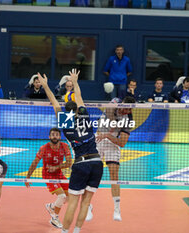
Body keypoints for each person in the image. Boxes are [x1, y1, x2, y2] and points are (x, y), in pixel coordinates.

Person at [37, 69, 103, 233]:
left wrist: (45, 85)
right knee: (86, 204)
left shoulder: (65, 123)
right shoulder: (84, 115)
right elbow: (79, 96)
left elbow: (54, 102)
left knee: (73, 202)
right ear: (77, 110)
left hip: (81, 164)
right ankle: (77, 231)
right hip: (96, 162)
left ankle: (65, 231)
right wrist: (75, 81)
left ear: (67, 112)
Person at [95, 96, 135, 221]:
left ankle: (117, 209)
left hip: (112, 143)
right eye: (126, 108)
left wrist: (108, 134)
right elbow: (109, 111)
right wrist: (115, 123)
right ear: (122, 103)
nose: (126, 111)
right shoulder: (115, 102)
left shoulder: (128, 119)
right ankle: (88, 205)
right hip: (97, 140)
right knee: (92, 173)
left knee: (114, 175)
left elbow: (122, 143)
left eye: (130, 110)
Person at [25, 128, 72, 228]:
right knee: (62, 196)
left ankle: (51, 206)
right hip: (48, 175)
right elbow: (35, 162)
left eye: (56, 134)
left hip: (58, 174)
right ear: (49, 137)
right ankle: (54, 218)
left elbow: (69, 163)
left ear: (60, 137)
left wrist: (56, 167)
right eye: (52, 134)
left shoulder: (65, 146)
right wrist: (28, 177)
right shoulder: (44, 148)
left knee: (69, 198)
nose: (54, 136)